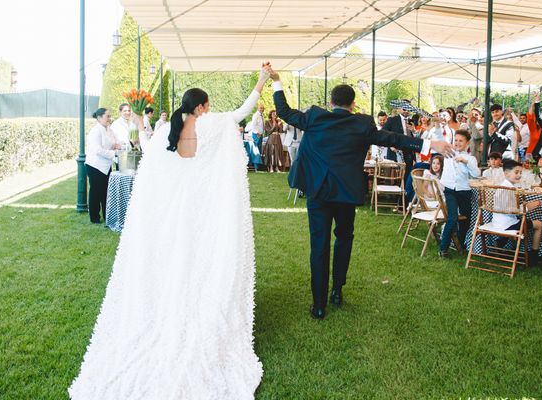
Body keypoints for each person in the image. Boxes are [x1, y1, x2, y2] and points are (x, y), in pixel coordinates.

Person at [68, 65, 271, 399]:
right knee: (201, 259)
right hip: (205, 210)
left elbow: (149, 154)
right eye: (207, 104)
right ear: (202, 106)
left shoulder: (166, 130)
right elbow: (244, 110)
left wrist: (139, 125)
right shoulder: (214, 124)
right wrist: (262, 79)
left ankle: (173, 304)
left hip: (176, 211)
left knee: (177, 257)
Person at [270, 65, 454, 319]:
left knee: (319, 246)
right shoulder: (362, 123)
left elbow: (284, 111)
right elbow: (393, 139)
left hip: (319, 193)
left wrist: (277, 81)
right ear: (353, 104)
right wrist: (429, 143)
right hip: (346, 193)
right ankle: (337, 290)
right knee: (344, 239)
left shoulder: (315, 116)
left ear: (331, 101)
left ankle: (319, 304)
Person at [492, 159, 542, 265]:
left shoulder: (504, 186)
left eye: (520, 173)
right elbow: (511, 211)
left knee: (524, 220)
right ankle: (534, 256)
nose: (519, 175)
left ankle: (501, 241)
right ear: (506, 173)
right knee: (539, 224)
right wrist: (528, 207)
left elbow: (508, 207)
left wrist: (523, 205)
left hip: (497, 222)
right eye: (516, 172)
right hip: (506, 225)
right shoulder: (509, 189)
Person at [438, 130, 480, 258]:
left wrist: (465, 162)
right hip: (450, 190)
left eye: (461, 141)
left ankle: (459, 244)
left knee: (466, 218)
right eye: (455, 140)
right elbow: (440, 139)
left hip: (464, 190)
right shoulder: (448, 154)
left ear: (467, 143)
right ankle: (443, 248)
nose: (457, 143)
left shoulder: (470, 158)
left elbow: (476, 174)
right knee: (452, 218)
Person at [85, 108, 119, 224]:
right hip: (95, 165)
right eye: (107, 116)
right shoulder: (95, 131)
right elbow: (98, 150)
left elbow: (115, 142)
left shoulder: (109, 129)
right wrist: (113, 153)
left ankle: (106, 216)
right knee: (95, 192)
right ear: (99, 118)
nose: (110, 119)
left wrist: (118, 146)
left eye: (110, 116)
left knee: (105, 192)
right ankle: (94, 218)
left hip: (105, 165)